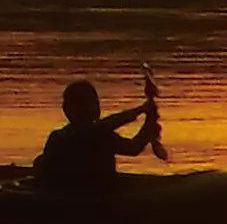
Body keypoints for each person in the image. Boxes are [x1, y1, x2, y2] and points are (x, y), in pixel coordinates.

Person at [32, 72, 162, 191]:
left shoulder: (102, 135)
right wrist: (140, 110)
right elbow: (104, 126)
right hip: (80, 194)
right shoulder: (63, 137)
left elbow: (133, 147)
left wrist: (148, 127)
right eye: (90, 103)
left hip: (99, 192)